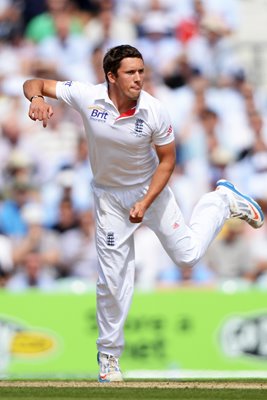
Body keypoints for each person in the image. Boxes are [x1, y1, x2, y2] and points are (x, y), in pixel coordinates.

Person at [22, 44, 264, 383]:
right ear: (111, 76)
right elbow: (33, 82)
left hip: (151, 189)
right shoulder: (87, 96)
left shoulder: (154, 110)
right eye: (130, 72)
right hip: (108, 198)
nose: (139, 78)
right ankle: (108, 359)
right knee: (113, 281)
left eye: (141, 71)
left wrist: (146, 201)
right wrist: (35, 99)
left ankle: (221, 200)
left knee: (188, 256)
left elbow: (167, 160)